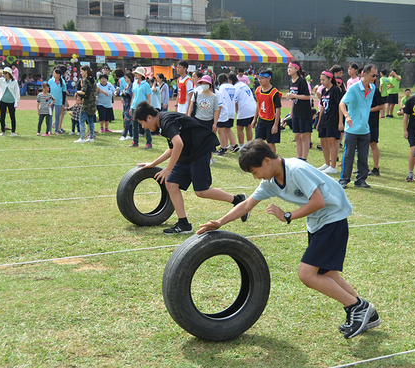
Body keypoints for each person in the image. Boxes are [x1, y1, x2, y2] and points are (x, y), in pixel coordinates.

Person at [197, 140, 381, 339]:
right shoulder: (270, 182)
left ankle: (356, 307)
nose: (256, 176)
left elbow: (318, 201)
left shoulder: (295, 169)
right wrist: (219, 222)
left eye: (254, 171)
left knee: (307, 274)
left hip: (332, 218)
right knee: (328, 274)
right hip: (319, 223)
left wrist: (288, 215)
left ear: (267, 161)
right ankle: (367, 313)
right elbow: (247, 204)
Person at [134, 101, 250, 235]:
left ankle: (238, 200)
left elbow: (178, 144)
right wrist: (154, 163)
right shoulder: (163, 122)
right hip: (187, 152)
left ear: (149, 117)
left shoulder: (166, 121)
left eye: (142, 123)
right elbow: (173, 148)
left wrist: (168, 169)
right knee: (171, 183)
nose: (143, 127)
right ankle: (183, 224)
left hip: (200, 151)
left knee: (201, 191)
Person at [338, 64, 378, 189]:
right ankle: (344, 180)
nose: (375, 78)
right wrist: (347, 116)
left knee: (363, 156)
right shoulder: (353, 89)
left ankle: (361, 180)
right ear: (364, 74)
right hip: (352, 129)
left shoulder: (373, 88)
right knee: (348, 155)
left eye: (376, 75)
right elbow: (342, 103)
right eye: (373, 75)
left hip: (365, 129)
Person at [316, 70, 343, 174]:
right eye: (320, 80)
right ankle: (327, 163)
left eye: (323, 79)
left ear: (330, 79)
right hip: (324, 119)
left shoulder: (336, 90)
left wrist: (340, 122)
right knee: (323, 142)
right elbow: (322, 106)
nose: (322, 82)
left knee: (332, 142)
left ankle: (333, 166)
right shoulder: (323, 91)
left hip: (333, 119)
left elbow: (340, 106)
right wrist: (319, 122)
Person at [286, 61, 313, 161]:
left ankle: (304, 159)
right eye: (288, 67)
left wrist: (294, 96)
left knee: (304, 136)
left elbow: (307, 96)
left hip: (304, 113)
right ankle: (299, 158)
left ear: (297, 69)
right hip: (296, 112)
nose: (289, 69)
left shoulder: (301, 81)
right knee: (297, 136)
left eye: (291, 67)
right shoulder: (290, 81)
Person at [251, 69, 282, 154]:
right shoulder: (258, 90)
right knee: (258, 142)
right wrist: (254, 119)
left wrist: (275, 125)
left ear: (268, 79)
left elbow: (278, 109)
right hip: (261, 120)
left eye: (262, 78)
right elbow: (258, 105)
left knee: (271, 143)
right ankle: (260, 161)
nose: (260, 80)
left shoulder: (274, 92)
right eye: (258, 78)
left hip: (271, 121)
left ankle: (273, 162)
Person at [0, 67, 20, 136]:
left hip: (11, 101)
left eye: (6, 73)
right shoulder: (1, 80)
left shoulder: (14, 82)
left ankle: (13, 131)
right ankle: (3, 131)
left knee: (12, 116)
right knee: (2, 116)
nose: (4, 74)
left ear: (9, 74)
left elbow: (17, 93)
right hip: (3, 101)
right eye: (4, 73)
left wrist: (16, 102)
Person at [129, 66, 153, 149]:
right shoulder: (134, 83)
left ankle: (149, 143)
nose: (135, 75)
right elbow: (133, 95)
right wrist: (130, 106)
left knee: (146, 126)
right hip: (134, 107)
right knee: (134, 125)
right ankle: (135, 142)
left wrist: (149, 108)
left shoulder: (146, 85)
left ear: (141, 75)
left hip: (143, 108)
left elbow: (149, 97)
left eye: (136, 73)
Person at [215, 73, 238, 155]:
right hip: (232, 110)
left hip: (224, 111)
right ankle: (234, 145)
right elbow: (236, 99)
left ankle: (223, 147)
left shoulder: (221, 87)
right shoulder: (233, 87)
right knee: (228, 129)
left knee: (221, 130)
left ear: (219, 81)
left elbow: (220, 98)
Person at [367, 74, 386, 176]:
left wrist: (368, 110)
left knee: (373, 144)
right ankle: (364, 166)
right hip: (363, 121)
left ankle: (375, 168)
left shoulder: (375, 91)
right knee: (363, 144)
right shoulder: (361, 91)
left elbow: (381, 106)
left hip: (373, 121)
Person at [233, 71, 257, 148]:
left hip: (244, 109)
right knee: (248, 128)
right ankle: (249, 146)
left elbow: (235, 103)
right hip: (253, 107)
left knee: (239, 128)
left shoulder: (235, 87)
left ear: (230, 81)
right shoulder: (243, 84)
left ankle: (241, 146)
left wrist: (237, 113)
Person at [74, 65, 97, 143]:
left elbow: (83, 91)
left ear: (85, 71)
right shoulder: (93, 80)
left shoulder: (85, 80)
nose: (80, 73)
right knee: (90, 120)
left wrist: (77, 92)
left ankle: (82, 138)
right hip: (93, 103)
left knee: (81, 120)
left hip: (86, 103)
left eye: (81, 71)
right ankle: (91, 137)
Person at [48, 68, 67, 134]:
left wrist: (63, 103)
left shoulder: (62, 83)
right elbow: (48, 90)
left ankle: (56, 130)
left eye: (55, 73)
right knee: (50, 115)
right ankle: (49, 130)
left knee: (57, 116)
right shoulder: (50, 81)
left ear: (58, 75)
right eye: (53, 73)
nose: (53, 74)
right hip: (51, 101)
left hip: (59, 101)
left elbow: (64, 93)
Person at [118, 71, 135, 141]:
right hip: (126, 104)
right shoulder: (126, 85)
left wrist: (123, 94)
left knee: (127, 119)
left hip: (129, 104)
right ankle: (131, 134)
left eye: (126, 77)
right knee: (128, 119)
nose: (124, 78)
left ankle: (124, 134)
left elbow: (129, 95)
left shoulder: (132, 85)